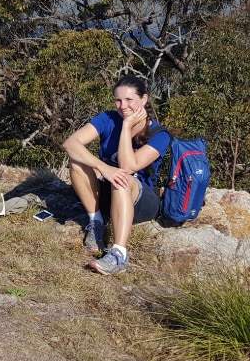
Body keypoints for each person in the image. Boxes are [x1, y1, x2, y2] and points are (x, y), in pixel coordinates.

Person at [61, 75, 171, 275]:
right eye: (118, 100)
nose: (122, 106)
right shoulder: (108, 119)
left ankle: (119, 254)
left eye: (129, 100)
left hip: (141, 200)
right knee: (77, 161)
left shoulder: (159, 134)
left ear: (144, 100)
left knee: (122, 179)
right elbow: (70, 144)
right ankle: (96, 222)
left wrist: (127, 127)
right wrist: (103, 168)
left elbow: (128, 166)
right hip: (109, 191)